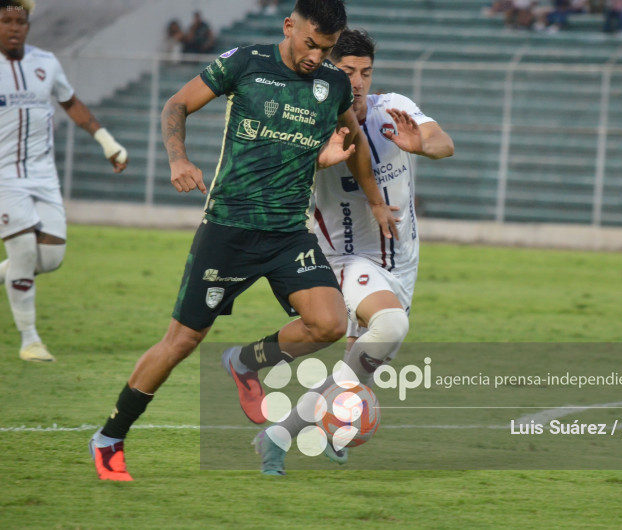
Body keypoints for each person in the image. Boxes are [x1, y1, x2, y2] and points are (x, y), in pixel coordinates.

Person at [88, 0, 397, 482]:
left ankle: (243, 362)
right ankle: (110, 436)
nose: (317, 56)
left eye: (328, 49)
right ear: (289, 26)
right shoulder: (245, 62)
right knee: (182, 340)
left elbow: (352, 140)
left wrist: (374, 199)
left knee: (330, 323)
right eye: (311, 43)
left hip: (288, 234)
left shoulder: (332, 84)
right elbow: (177, 104)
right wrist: (178, 159)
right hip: (229, 229)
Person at [247, 28, 454, 476]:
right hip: (344, 259)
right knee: (392, 324)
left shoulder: (391, 109)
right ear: (326, 69)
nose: (357, 81)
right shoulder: (308, 121)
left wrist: (423, 146)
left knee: (355, 373)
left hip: (401, 261)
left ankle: (277, 436)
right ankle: (254, 364)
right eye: (347, 71)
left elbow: (444, 142)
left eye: (365, 72)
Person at [0, 0, 127, 363]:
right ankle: (29, 341)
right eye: (6, 21)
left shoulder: (45, 63)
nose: (14, 28)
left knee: (51, 258)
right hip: (4, 175)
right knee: (23, 250)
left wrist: (107, 142)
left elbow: (70, 102)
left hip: (43, 175)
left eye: (20, 22)